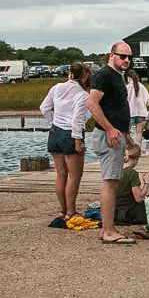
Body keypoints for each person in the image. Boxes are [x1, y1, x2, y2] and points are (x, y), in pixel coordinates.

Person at [87, 42, 136, 245]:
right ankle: (108, 231)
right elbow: (91, 103)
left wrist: (125, 132)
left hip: (117, 134)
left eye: (129, 57)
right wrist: (110, 129)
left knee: (113, 182)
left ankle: (107, 229)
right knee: (110, 183)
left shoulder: (117, 76)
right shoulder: (105, 75)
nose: (126, 60)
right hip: (109, 137)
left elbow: (116, 107)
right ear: (111, 55)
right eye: (122, 56)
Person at [40, 62, 91, 222]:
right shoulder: (82, 95)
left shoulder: (56, 87)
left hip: (55, 131)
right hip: (71, 133)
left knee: (61, 174)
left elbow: (44, 108)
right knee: (75, 176)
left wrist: (54, 121)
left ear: (70, 73)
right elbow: (77, 118)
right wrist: (77, 140)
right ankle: (71, 211)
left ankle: (63, 210)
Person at [126, 70, 149, 145]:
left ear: (128, 78)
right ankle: (138, 151)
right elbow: (148, 100)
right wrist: (143, 106)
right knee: (139, 133)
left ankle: (129, 150)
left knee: (126, 133)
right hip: (141, 113)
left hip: (130, 113)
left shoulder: (127, 87)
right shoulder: (142, 87)